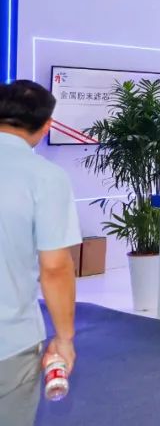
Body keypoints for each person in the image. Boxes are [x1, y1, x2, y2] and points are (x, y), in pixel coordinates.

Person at [0, 80, 81, 425]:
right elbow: (55, 267)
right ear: (46, 126)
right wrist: (64, 338)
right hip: (9, 340)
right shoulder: (45, 177)